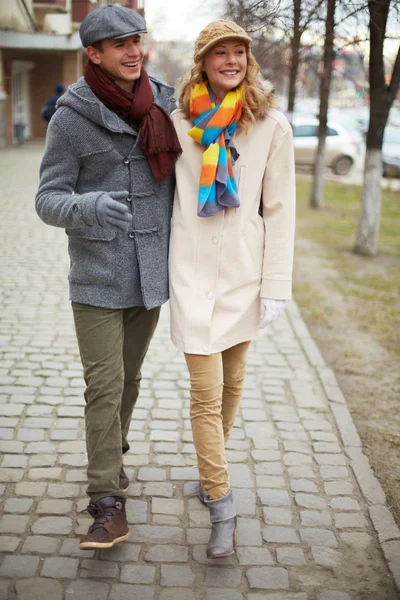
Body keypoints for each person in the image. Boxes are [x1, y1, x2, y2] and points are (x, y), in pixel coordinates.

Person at [35, 4, 181, 550]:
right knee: (104, 383)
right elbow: (47, 199)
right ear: (93, 54)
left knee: (130, 378)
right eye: (118, 44)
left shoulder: (165, 102)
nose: (132, 50)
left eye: (136, 40)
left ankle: (111, 455)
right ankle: (105, 502)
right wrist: (89, 205)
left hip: (150, 272)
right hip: (97, 270)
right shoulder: (70, 116)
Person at [169, 20, 296, 558]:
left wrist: (276, 286)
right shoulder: (175, 123)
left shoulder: (270, 125)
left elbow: (280, 210)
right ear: (202, 61)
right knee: (206, 392)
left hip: (245, 273)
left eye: (238, 52)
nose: (231, 61)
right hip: (192, 273)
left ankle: (208, 468)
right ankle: (222, 503)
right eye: (220, 53)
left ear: (249, 60)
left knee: (234, 380)